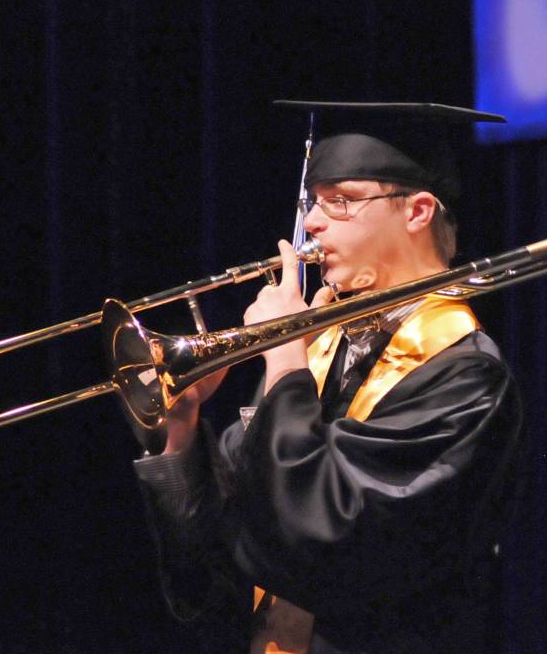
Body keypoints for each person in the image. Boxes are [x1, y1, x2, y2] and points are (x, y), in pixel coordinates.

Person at [128, 102, 524, 653]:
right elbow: (218, 578)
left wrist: (285, 361)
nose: (312, 223)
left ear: (418, 212)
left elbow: (326, 543)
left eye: (341, 202)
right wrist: (183, 427)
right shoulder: (323, 349)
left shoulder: (465, 375)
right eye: (314, 203)